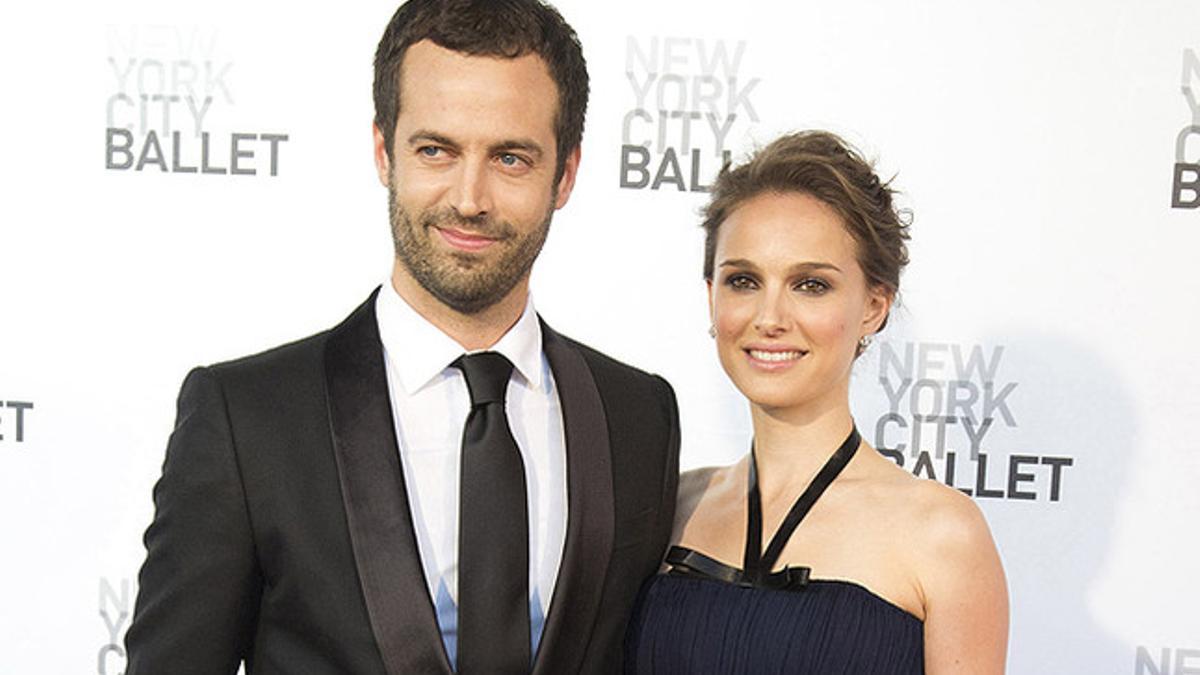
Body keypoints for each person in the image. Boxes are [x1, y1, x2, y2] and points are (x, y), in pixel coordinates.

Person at [124, 1, 680, 673]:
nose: (469, 197)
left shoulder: (638, 414)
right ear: (385, 151)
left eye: (509, 157)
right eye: (436, 150)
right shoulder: (246, 419)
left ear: (564, 174)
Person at [624, 131, 1008, 674]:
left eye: (810, 285)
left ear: (874, 305)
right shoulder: (671, 508)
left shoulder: (942, 535)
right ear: (711, 296)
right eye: (743, 280)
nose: (770, 317)